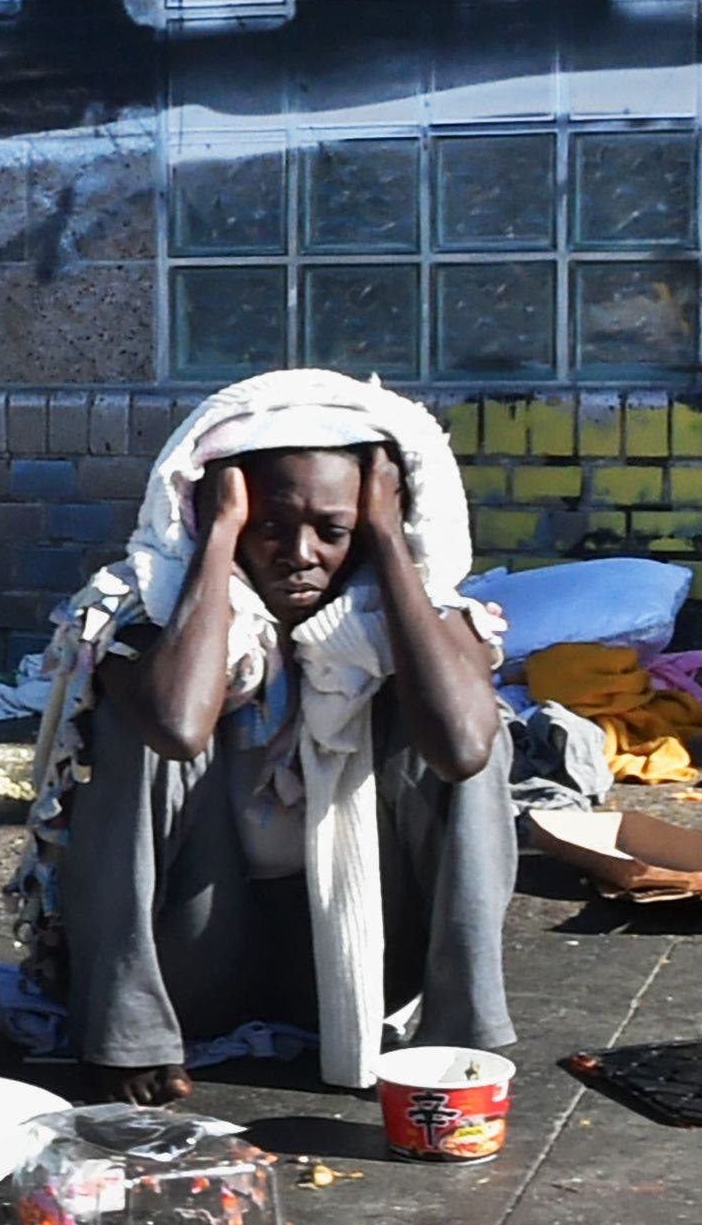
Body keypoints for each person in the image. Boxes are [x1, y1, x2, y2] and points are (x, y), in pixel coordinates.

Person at [26, 370, 517, 1103]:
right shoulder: (141, 614)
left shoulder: (426, 618)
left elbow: (462, 749)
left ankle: (459, 1045)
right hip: (204, 952)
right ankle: (123, 1037)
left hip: (365, 960)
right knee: (133, 731)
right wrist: (216, 538)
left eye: (333, 529)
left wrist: (386, 538)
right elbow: (178, 725)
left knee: (468, 727)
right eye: (269, 525)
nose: (300, 552)